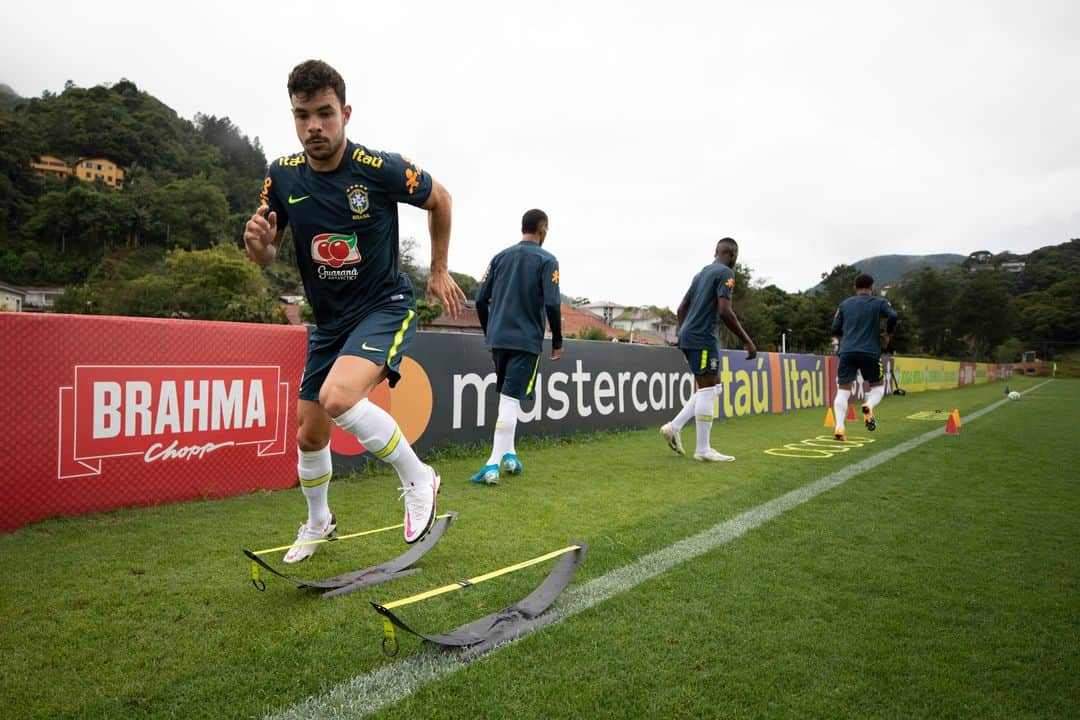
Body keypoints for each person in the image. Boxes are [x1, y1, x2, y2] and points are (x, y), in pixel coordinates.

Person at [242, 60, 466, 562]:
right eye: (302, 116)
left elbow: (442, 199)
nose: (313, 126)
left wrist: (438, 267)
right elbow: (267, 251)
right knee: (308, 431)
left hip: (383, 305)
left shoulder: (378, 168)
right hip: (329, 323)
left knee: (338, 397)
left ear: (345, 113)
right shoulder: (280, 175)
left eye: (324, 113)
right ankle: (319, 521)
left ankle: (419, 479)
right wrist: (257, 248)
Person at [469, 209, 563, 485]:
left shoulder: (500, 257)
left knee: (507, 397)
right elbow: (552, 303)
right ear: (542, 228)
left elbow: (479, 300)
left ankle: (510, 454)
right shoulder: (548, 260)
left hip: (498, 339)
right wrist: (557, 340)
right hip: (525, 341)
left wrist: (490, 334)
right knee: (511, 400)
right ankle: (492, 464)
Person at [660, 237, 757, 461]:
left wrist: (684, 333)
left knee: (714, 387)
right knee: (706, 390)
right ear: (733, 255)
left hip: (691, 336)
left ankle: (674, 427)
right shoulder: (726, 273)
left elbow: (681, 308)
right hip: (703, 338)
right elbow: (725, 310)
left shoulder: (701, 273)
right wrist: (747, 340)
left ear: (716, 252)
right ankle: (703, 450)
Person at [830, 272, 898, 440]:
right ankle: (868, 404)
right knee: (878, 387)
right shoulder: (879, 302)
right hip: (870, 351)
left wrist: (847, 334)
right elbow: (893, 315)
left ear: (855, 287)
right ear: (872, 287)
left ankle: (839, 428)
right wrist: (888, 334)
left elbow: (834, 328)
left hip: (847, 351)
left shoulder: (845, 304)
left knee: (843, 391)